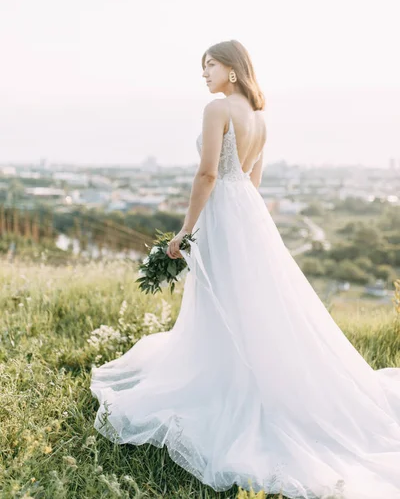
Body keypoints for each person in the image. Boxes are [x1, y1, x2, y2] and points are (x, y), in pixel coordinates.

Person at [90, 40, 400, 499]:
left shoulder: (217, 110)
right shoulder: (260, 119)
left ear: (232, 70)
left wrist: (184, 231)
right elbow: (252, 181)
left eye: (209, 66)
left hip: (221, 214)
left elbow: (208, 175)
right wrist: (237, 216)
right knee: (254, 305)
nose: (204, 75)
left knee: (225, 304)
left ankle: (232, 386)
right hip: (248, 217)